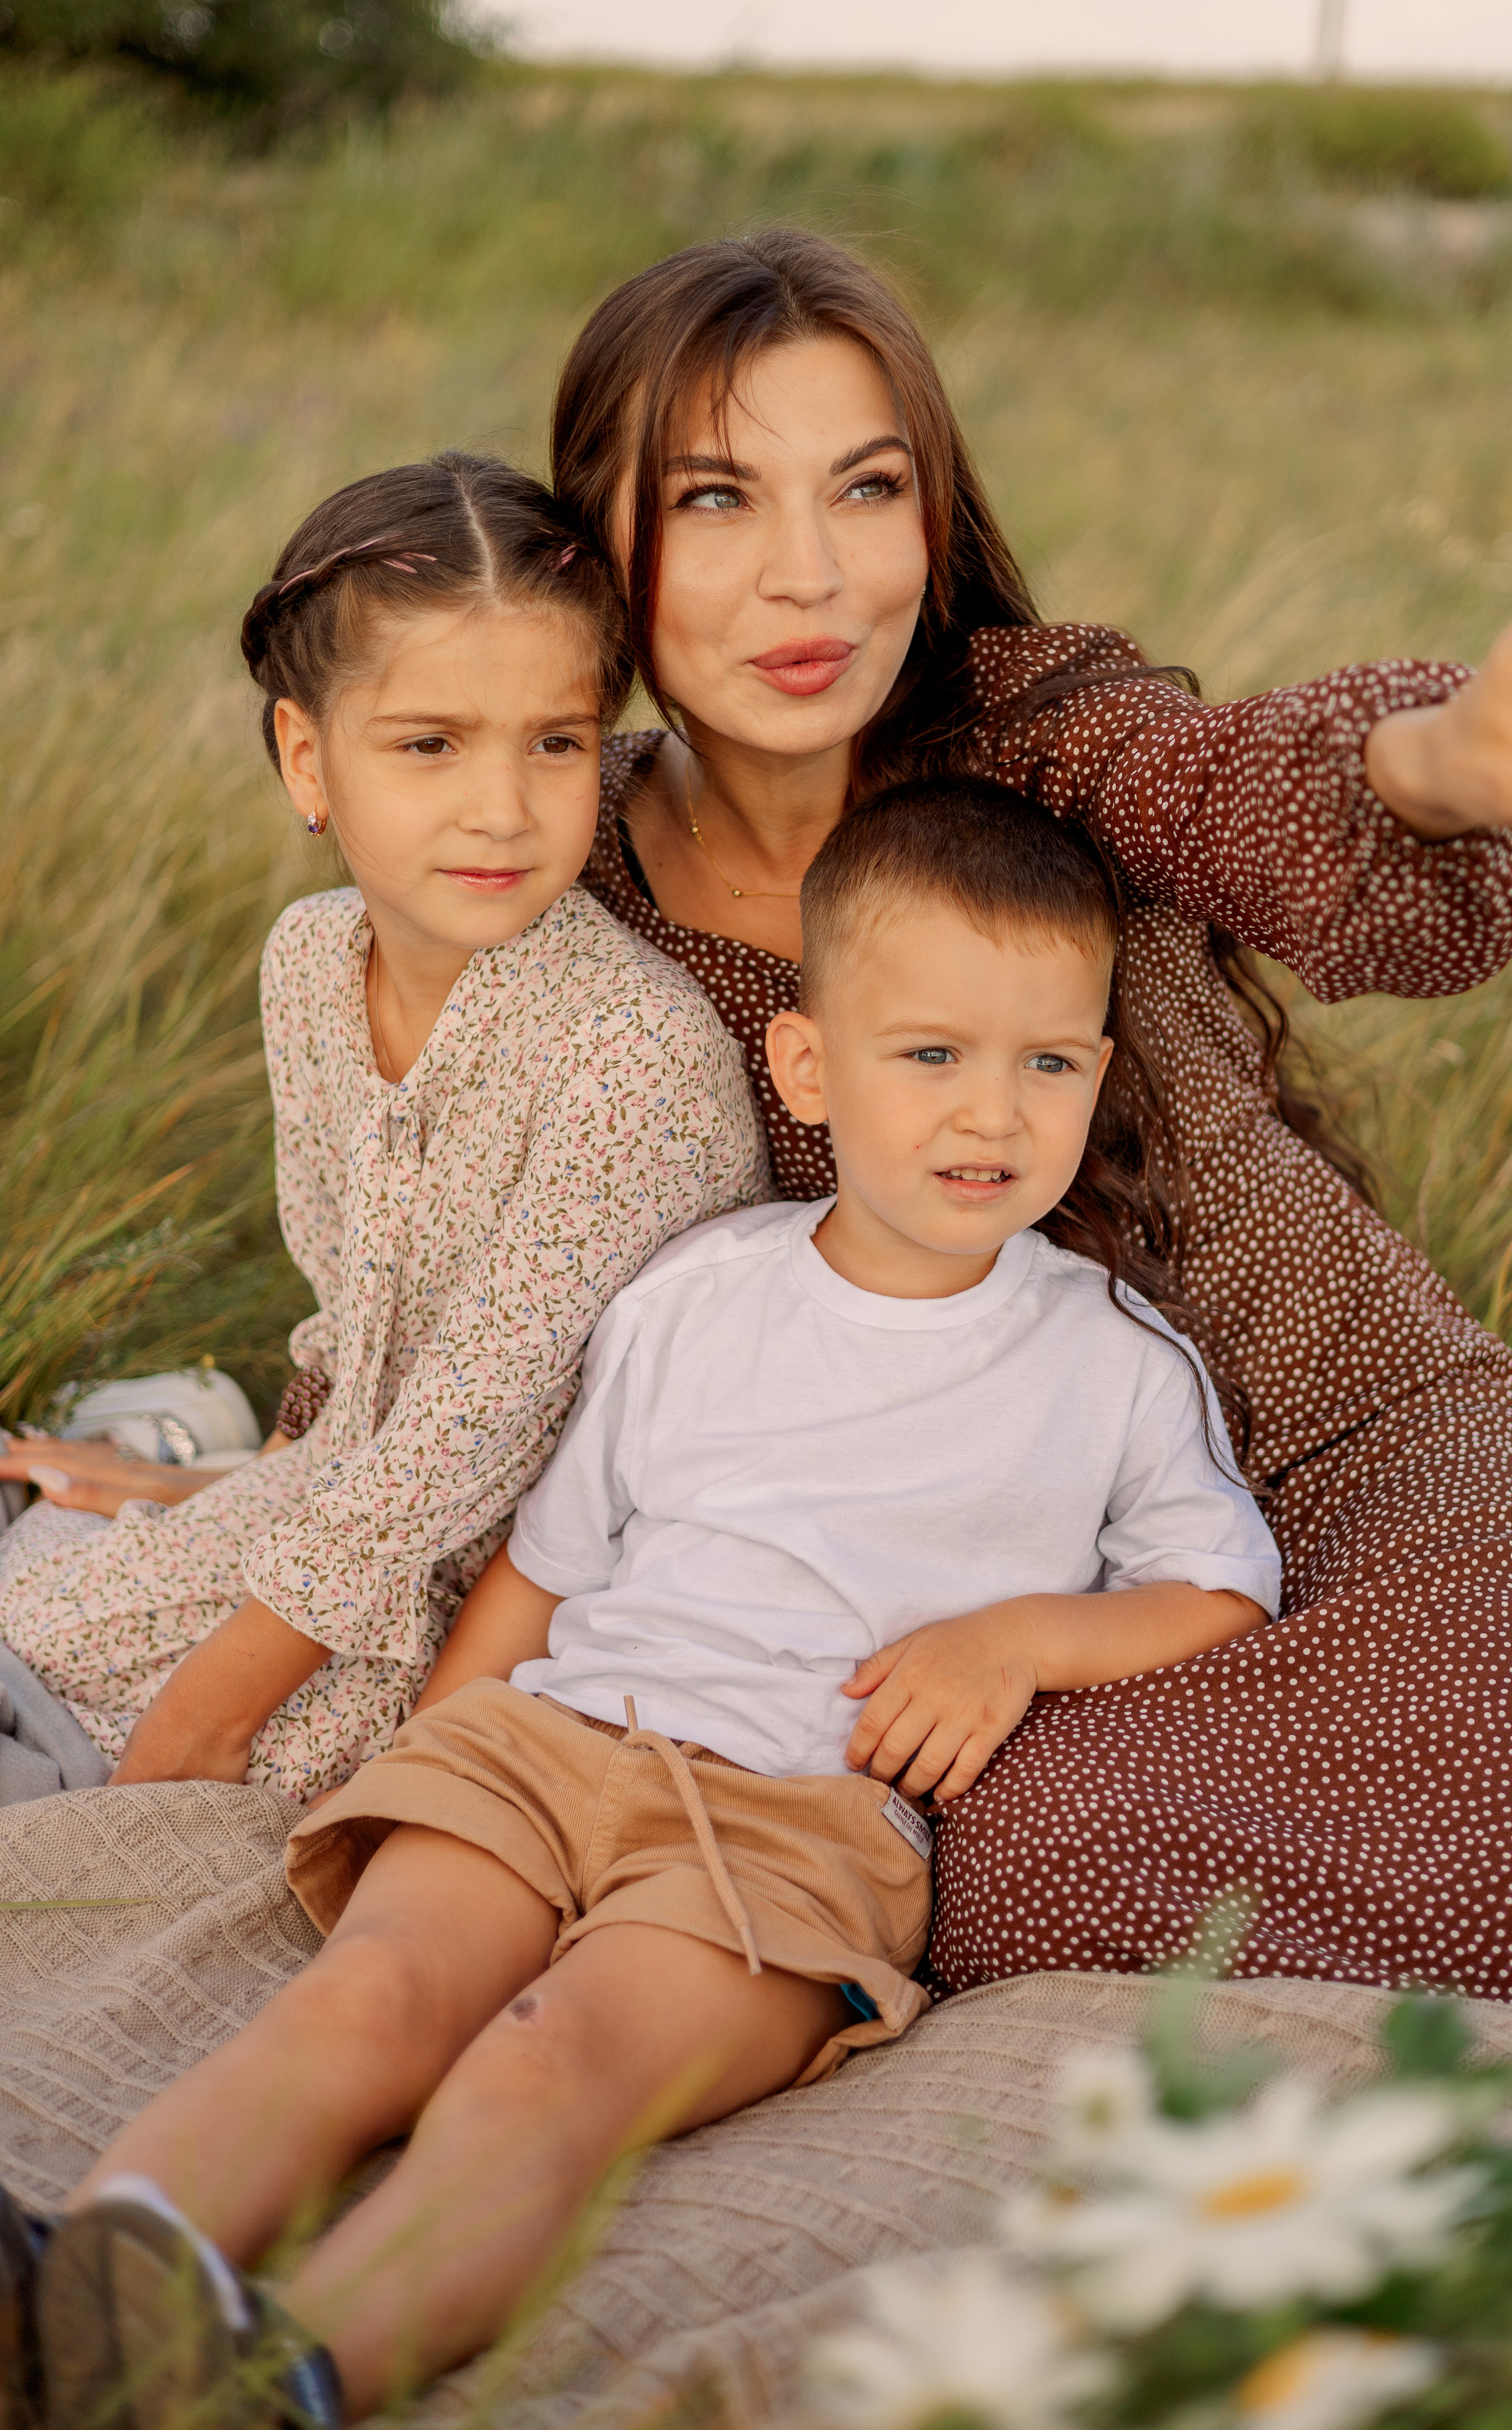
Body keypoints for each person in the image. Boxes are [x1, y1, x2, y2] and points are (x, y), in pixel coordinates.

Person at [536, 226, 1512, 2049]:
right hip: (977, 1578)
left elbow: (1251, 793)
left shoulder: (1042, 736)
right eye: (715, 499)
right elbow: (520, 1271)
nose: (808, 575)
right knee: (1025, 1882)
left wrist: (1451, 760)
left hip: (1346, 1458)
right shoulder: (572, 879)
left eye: (869, 490)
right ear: (598, 546)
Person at [4, 779, 1279, 2429]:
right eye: (930, 1055)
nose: (989, 1113)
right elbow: (552, 1559)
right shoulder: (697, 1295)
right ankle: (105, 2270)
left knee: (545, 2063)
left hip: (786, 1828)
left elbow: (1218, 1588)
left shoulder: (1107, 1359)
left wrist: (1018, 1638)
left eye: (1045, 1063)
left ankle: (282, 2378)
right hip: (553, 1746)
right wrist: (444, 1743)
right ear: (808, 1067)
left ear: (1096, 1079)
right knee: (376, 1996)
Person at [0, 453, 765, 1800]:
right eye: (428, 743)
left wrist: (207, 1714)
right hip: (353, 1506)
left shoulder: (628, 1056)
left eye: (557, 742)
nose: (502, 808)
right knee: (44, 1580)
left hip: (523, 1581)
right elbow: (353, 1330)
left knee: (104, 1720)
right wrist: (221, 1495)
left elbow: (467, 1444)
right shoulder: (309, 960)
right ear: (309, 758)